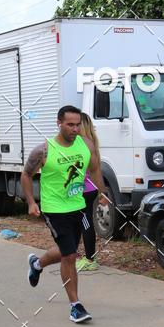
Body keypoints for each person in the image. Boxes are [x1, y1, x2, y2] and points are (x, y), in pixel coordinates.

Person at [21, 105, 108, 323]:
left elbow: (95, 168)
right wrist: (31, 202)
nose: (75, 129)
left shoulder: (85, 144)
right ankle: (75, 306)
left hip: (77, 205)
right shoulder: (44, 150)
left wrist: (102, 194)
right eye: (70, 124)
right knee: (70, 255)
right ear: (58, 123)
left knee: (64, 251)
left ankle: (37, 264)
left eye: (78, 124)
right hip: (54, 208)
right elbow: (26, 174)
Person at [77, 112, 101, 272]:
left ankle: (90, 259)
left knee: (86, 223)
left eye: (77, 124)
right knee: (85, 222)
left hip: (84, 190)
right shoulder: (91, 142)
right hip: (91, 188)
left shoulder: (81, 145)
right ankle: (87, 256)